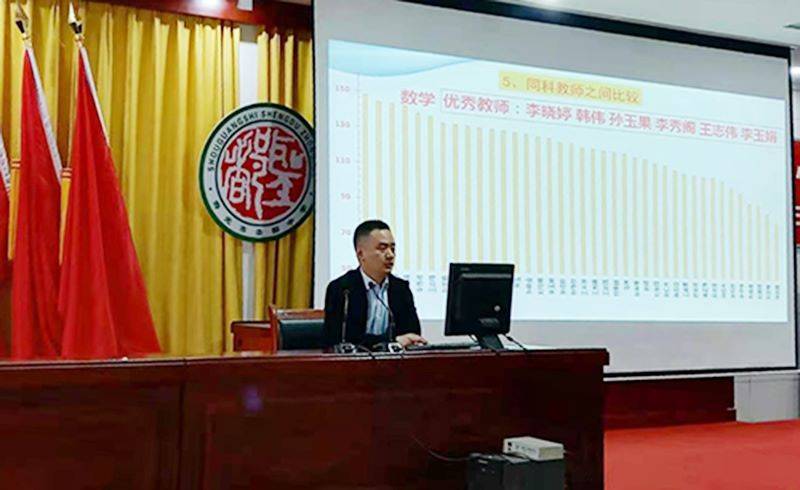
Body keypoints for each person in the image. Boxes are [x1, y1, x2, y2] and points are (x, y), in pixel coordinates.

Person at [323, 220, 427, 350]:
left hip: (394, 361)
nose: (390, 255)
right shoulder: (342, 289)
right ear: (361, 254)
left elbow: (412, 335)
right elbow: (338, 340)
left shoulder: (400, 289)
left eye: (393, 249)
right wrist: (392, 342)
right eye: (382, 248)